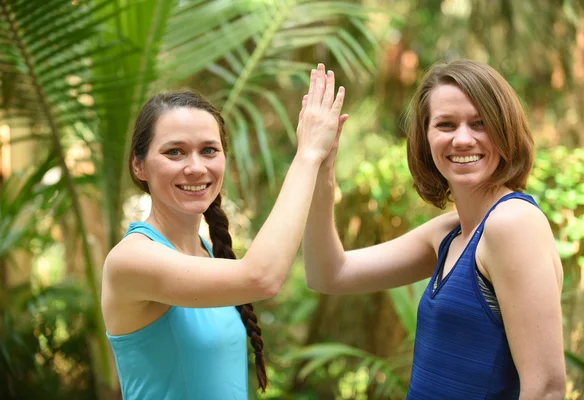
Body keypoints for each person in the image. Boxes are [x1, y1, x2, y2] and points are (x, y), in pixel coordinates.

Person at [303, 59, 566, 399]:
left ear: (506, 130)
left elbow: (546, 389)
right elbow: (328, 275)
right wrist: (321, 165)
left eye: (480, 123)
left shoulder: (512, 223)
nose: (462, 139)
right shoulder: (450, 233)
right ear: (425, 137)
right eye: (445, 124)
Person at [101, 63, 348, 399]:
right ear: (138, 165)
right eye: (174, 152)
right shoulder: (131, 259)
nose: (195, 167)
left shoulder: (207, 252)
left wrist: (322, 166)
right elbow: (262, 277)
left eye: (209, 150)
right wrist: (305, 155)